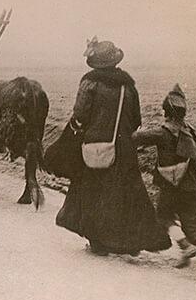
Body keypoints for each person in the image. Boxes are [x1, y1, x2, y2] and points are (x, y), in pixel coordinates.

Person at [53, 39, 170, 256]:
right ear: (115, 60)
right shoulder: (128, 85)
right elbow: (136, 119)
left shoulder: (90, 83)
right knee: (125, 193)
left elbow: (80, 115)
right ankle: (130, 241)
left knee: (92, 192)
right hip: (123, 148)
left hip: (96, 147)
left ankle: (98, 242)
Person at [134, 84, 196, 280]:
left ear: (166, 111)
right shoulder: (190, 131)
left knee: (164, 215)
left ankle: (185, 246)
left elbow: (136, 138)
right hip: (193, 184)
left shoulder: (163, 132)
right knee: (192, 223)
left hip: (172, 184)